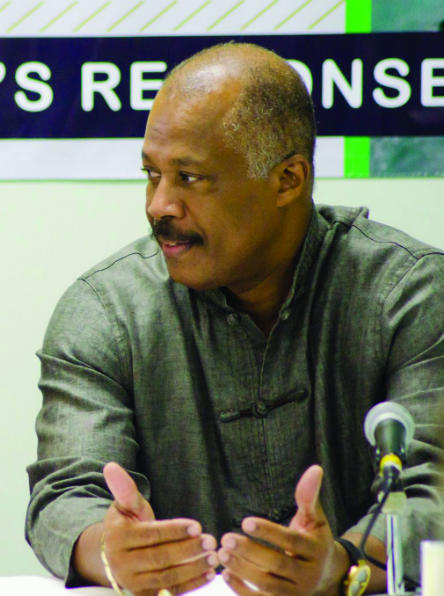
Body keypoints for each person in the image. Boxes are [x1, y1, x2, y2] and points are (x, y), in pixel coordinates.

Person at [26, 42, 444, 595]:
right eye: (151, 174)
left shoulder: (407, 296)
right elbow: (63, 498)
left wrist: (340, 565)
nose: (159, 205)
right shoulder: (106, 311)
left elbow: (431, 499)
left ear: (288, 180)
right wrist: (107, 550)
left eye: (191, 178)